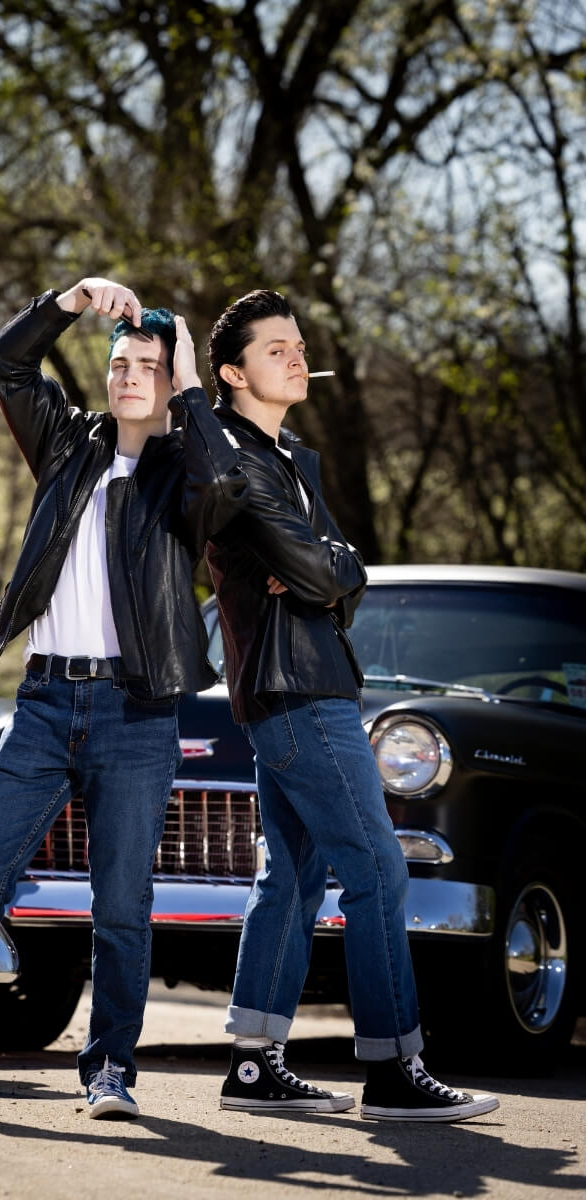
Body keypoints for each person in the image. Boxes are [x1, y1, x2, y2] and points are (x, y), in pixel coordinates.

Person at [0, 278, 248, 1121]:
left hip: (137, 713)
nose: (128, 375)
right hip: (40, 706)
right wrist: (66, 302)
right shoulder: (67, 446)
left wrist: (189, 380)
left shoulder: (185, 472)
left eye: (147, 364)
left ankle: (109, 1072)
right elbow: (5, 362)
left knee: (120, 907)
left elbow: (227, 486)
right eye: (120, 363)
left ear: (169, 374)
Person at [204, 288, 499, 1123]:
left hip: (309, 684)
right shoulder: (231, 460)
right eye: (275, 349)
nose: (297, 356)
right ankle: (394, 1069)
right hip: (294, 691)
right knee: (377, 866)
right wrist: (320, 572)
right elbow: (317, 573)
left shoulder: (295, 462)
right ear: (231, 373)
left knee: (292, 877)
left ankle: (255, 1066)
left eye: (299, 344)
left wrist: (323, 570)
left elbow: (342, 571)